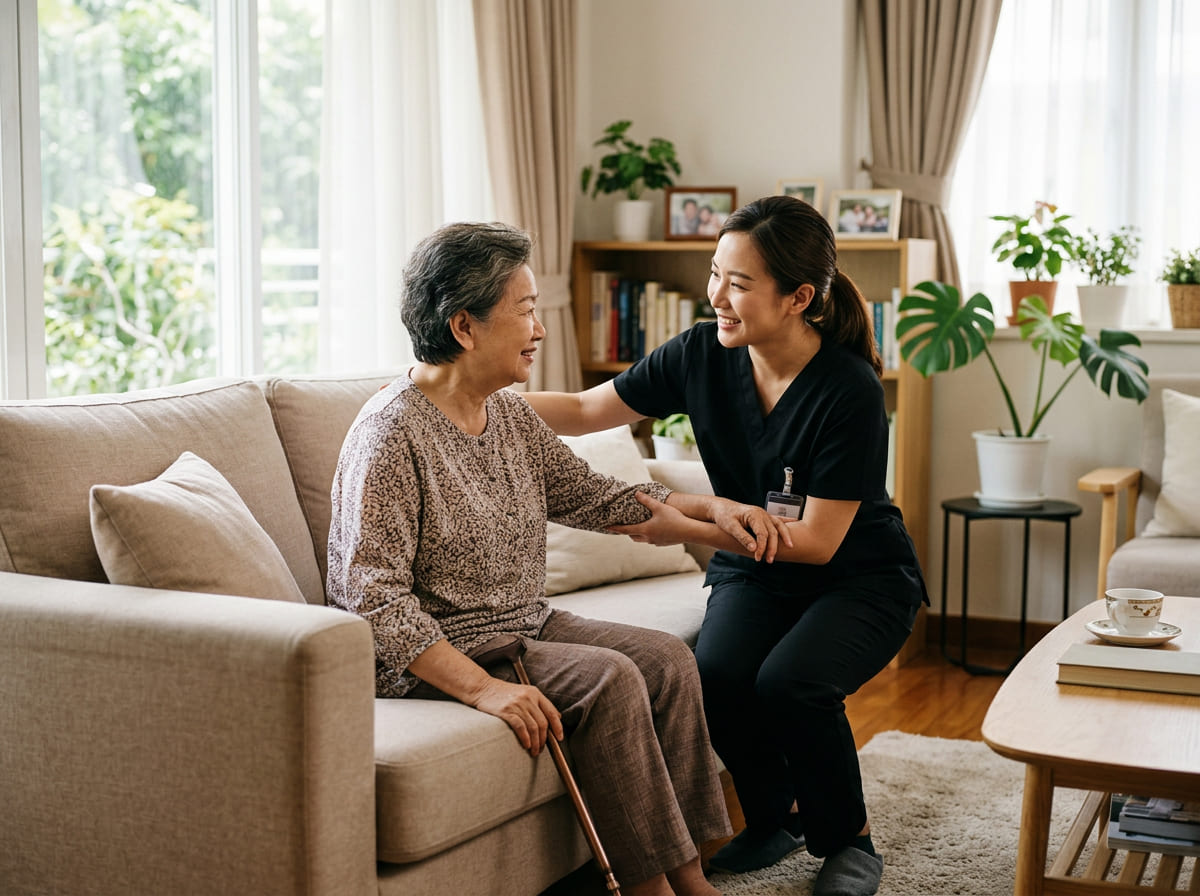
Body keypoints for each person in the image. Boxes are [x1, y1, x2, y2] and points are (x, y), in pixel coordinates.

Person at [326, 221, 790, 896]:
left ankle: (691, 877)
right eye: (526, 310)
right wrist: (484, 688)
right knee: (610, 678)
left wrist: (710, 509)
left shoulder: (505, 413)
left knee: (665, 659)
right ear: (464, 326)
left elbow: (593, 496)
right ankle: (648, 889)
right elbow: (371, 599)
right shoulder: (390, 435)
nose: (540, 329)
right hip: (440, 650)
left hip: (521, 622)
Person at [525, 195, 928, 896]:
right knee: (715, 673)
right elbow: (591, 410)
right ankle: (775, 817)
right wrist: (472, 392)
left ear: (799, 297)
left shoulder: (849, 390)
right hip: (754, 570)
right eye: (716, 274)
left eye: (739, 283)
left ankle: (849, 840)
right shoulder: (700, 354)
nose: (717, 296)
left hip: (857, 576)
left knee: (792, 684)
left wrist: (679, 522)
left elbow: (816, 542)